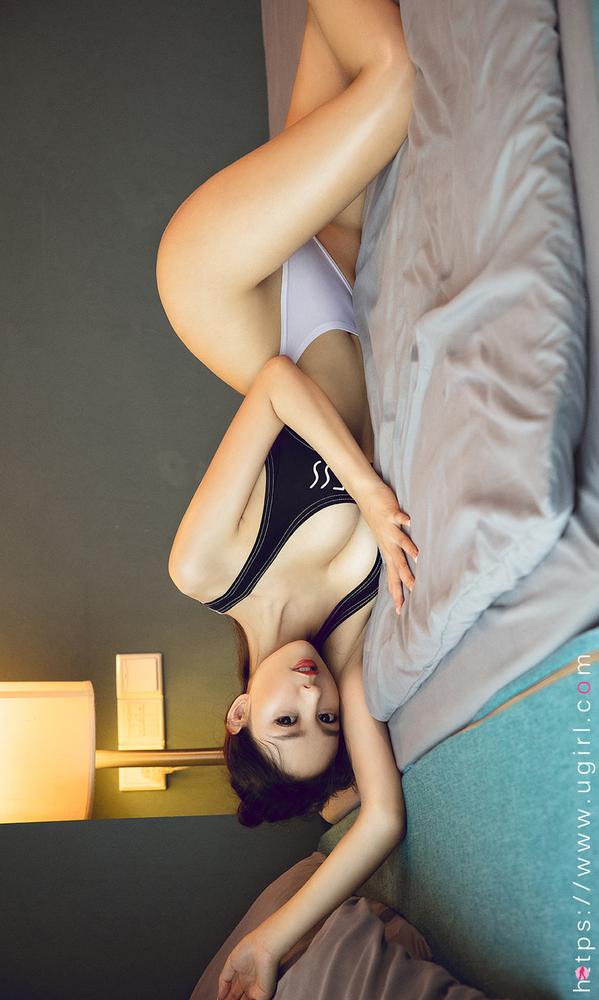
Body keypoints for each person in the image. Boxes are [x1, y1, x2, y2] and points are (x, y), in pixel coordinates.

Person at [156, 2, 416, 995]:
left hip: (230, 289)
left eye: (282, 722)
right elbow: (380, 821)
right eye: (324, 724)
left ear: (237, 710)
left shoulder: (206, 570)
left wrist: (371, 496)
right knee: (336, 33)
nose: (310, 699)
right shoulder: (345, 648)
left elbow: (270, 384)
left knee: (395, 80)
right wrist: (267, 944)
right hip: (334, 281)